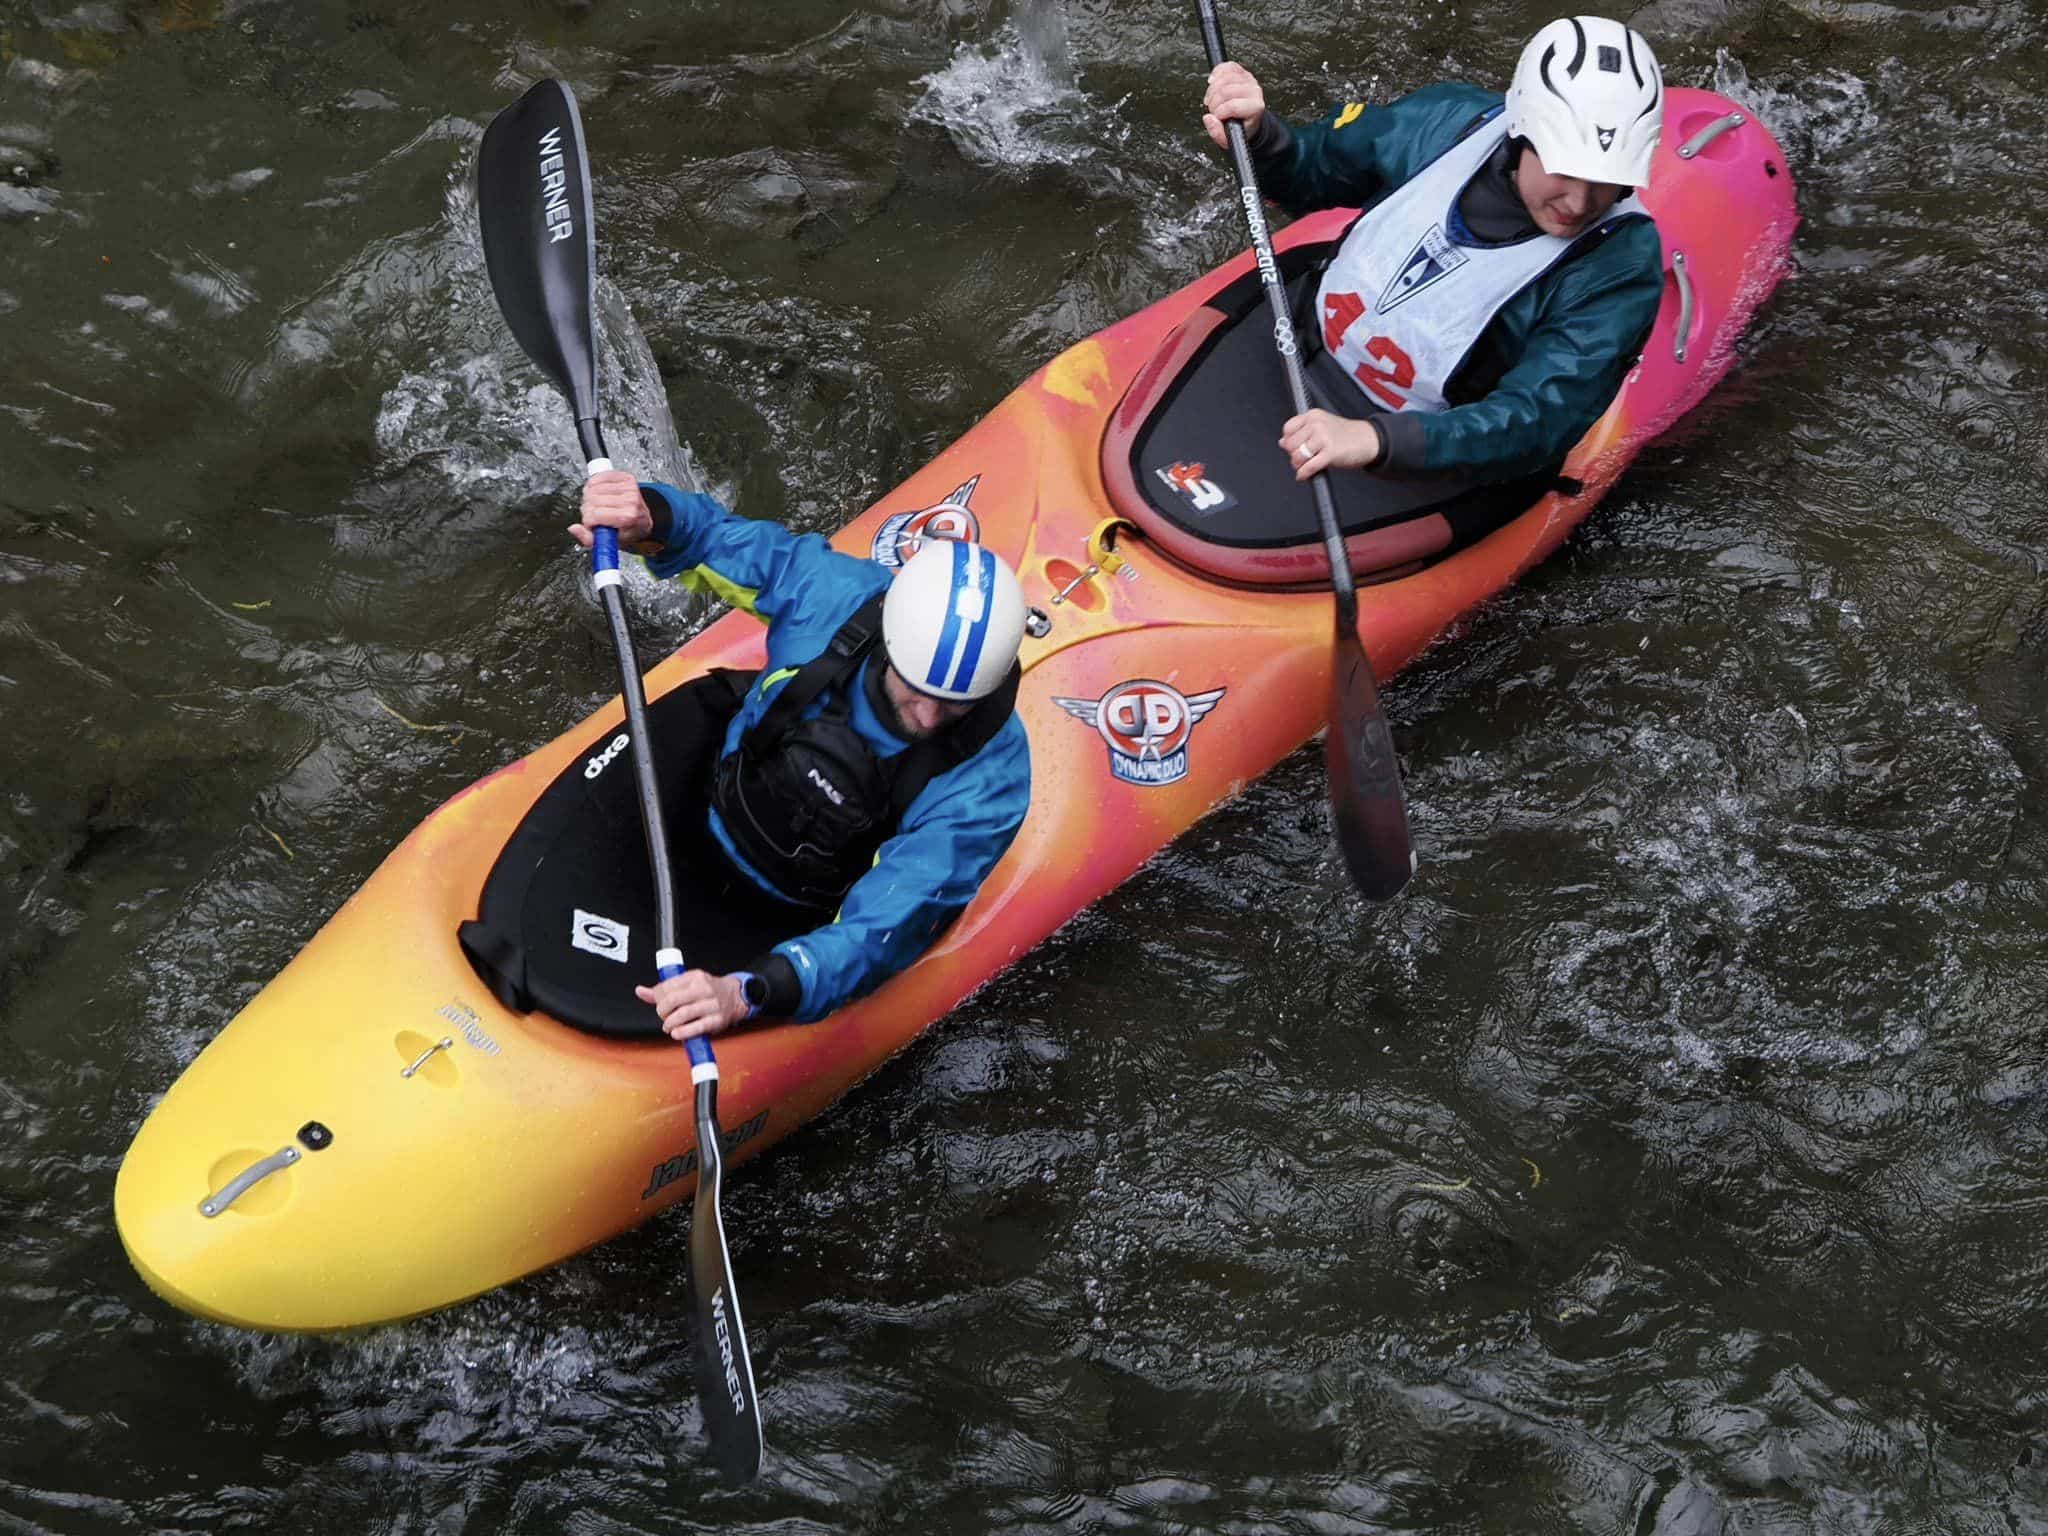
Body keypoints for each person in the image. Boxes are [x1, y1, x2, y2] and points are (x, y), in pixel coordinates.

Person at [570, 469, 1031, 1043]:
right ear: (889, 646)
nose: (931, 719)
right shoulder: (833, 597)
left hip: (800, 917)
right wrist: (651, 518)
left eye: (955, 706)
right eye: (917, 691)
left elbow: (881, 928)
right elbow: (717, 539)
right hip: (710, 809)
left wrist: (745, 992)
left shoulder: (991, 782)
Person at [1201, 15, 1666, 493]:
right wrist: (1263, 137)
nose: (1579, 202)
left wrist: (1377, 440)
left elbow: (1537, 419)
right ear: (1523, 134)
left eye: (1606, 181)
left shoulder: (1621, 264)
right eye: (1564, 171)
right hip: (1301, 347)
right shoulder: (1444, 122)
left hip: (1430, 455)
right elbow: (1314, 166)